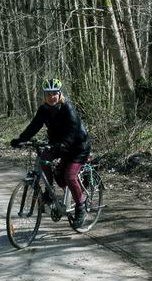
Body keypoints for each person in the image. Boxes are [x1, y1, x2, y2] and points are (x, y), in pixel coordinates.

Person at [10, 78, 91, 227]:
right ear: (44, 96)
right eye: (48, 94)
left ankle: (80, 208)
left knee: (69, 175)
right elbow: (34, 126)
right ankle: (50, 190)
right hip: (59, 144)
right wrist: (21, 139)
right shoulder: (44, 110)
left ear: (60, 94)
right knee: (43, 159)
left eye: (54, 93)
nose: (51, 97)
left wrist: (64, 144)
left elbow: (72, 129)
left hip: (78, 146)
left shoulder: (68, 108)